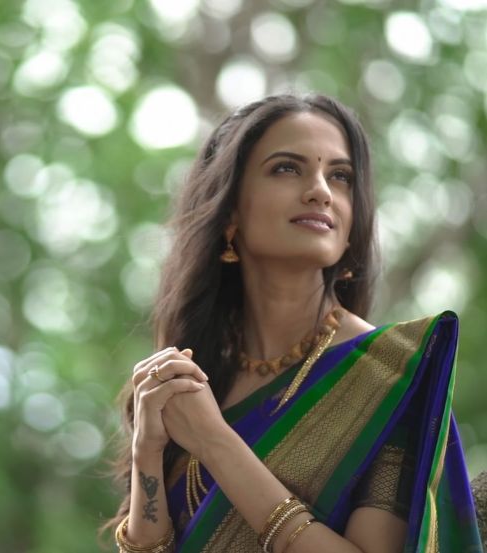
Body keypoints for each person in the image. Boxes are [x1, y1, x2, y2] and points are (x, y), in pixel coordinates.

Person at [108, 94, 482, 552]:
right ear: (229, 213)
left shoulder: (389, 379)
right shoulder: (196, 380)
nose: (321, 190)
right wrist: (146, 450)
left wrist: (215, 443)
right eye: (287, 168)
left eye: (340, 177)